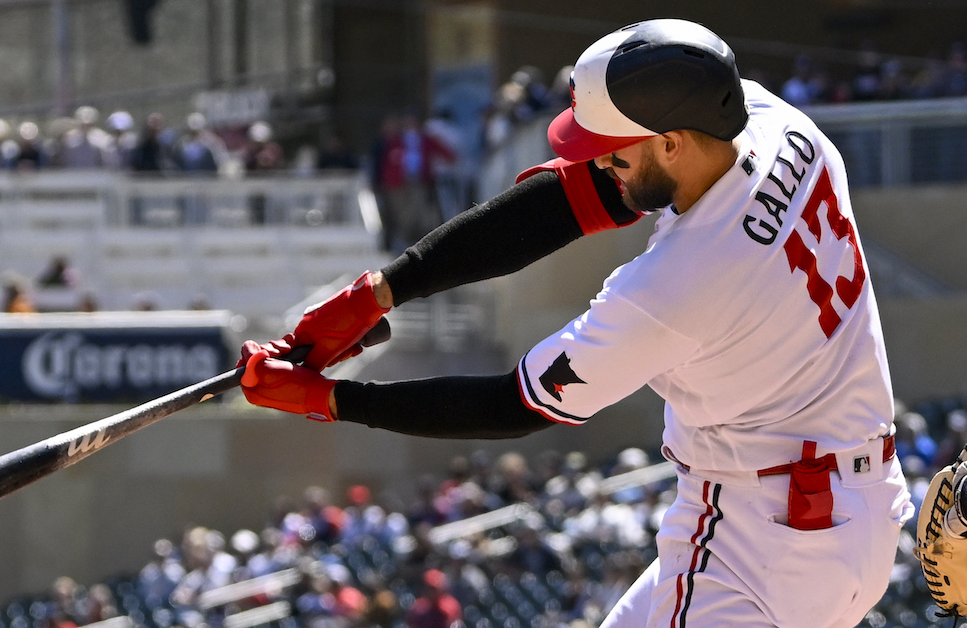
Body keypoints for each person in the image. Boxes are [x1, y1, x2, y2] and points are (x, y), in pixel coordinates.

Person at [238, 19, 911, 628]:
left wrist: (333, 400)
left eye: (615, 150)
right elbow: (564, 199)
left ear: (671, 142)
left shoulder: (674, 286)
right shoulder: (777, 123)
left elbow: (512, 405)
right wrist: (383, 291)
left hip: (754, 543)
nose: (600, 163)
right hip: (859, 514)